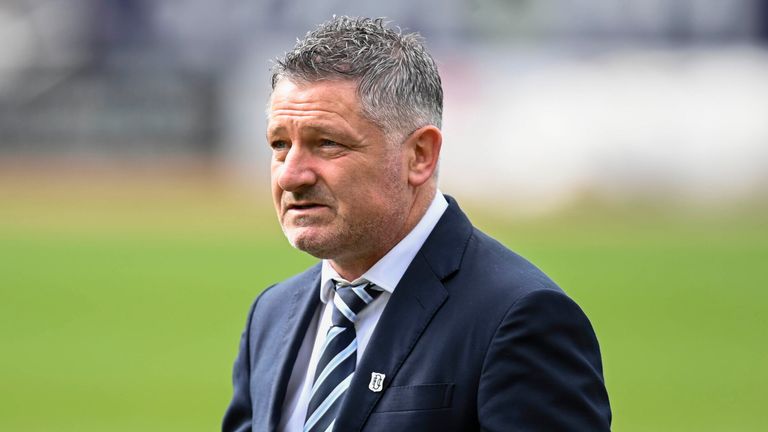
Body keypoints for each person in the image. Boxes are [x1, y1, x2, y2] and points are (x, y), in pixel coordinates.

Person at [223, 16, 611, 432]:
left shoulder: (519, 318)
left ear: (420, 155)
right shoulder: (272, 314)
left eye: (327, 143)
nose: (290, 175)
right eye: (280, 144)